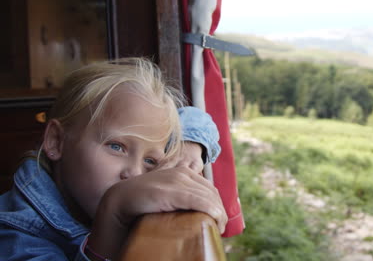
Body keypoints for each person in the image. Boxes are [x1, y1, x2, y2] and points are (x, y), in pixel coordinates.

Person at [0, 58, 228, 260]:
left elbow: (194, 117)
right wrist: (113, 211)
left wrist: (187, 146)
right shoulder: (14, 232)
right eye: (117, 146)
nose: (135, 174)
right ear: (56, 141)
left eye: (150, 161)